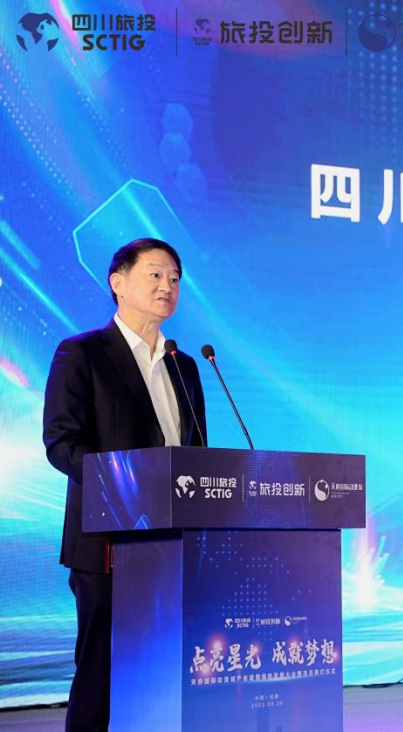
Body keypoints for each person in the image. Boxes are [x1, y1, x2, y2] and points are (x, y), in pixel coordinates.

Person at [43, 238, 207, 732]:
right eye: (155, 274)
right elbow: (62, 442)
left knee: (164, 675)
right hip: (109, 543)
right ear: (118, 283)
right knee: (102, 672)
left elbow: (197, 453)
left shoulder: (184, 365)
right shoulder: (83, 353)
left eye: (174, 279)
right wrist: (126, 486)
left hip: (173, 544)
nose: (167, 286)